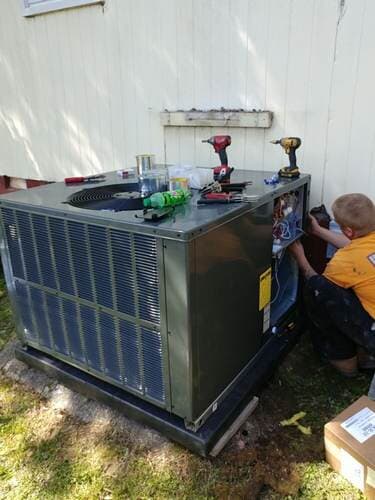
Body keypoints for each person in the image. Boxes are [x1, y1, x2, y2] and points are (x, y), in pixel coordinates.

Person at [289, 193, 375, 377]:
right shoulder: (367, 241)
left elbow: (319, 283)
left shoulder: (344, 262)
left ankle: (346, 363)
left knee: (318, 289)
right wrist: (317, 230)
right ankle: (367, 355)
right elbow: (354, 245)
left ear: (349, 231)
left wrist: (300, 257)